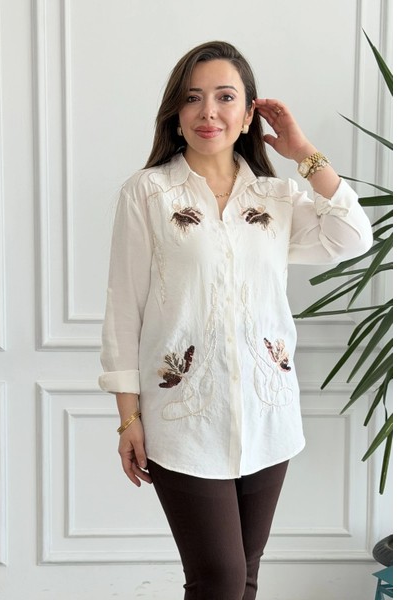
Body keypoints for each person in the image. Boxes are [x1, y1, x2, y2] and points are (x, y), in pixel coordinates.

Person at [98, 41, 373, 600]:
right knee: (219, 580)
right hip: (183, 418)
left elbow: (352, 238)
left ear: (249, 114)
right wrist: (128, 419)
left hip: (268, 413)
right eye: (193, 98)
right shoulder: (148, 193)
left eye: (226, 97)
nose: (209, 112)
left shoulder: (276, 198)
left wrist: (305, 154)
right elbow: (124, 309)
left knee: (243, 576)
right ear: (176, 112)